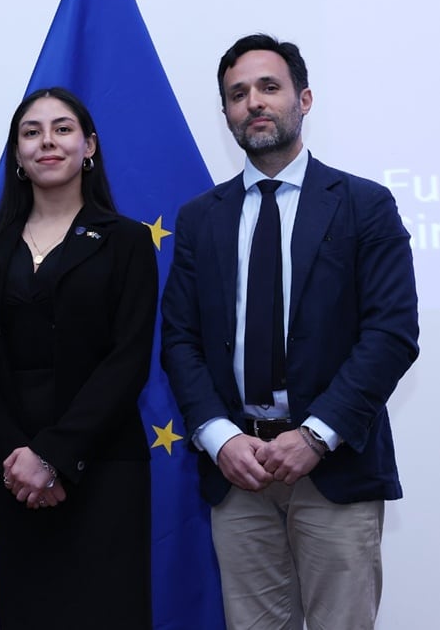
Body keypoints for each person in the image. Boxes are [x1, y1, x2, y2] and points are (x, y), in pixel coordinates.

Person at [161, 34, 419, 629]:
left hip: (336, 467)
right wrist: (220, 438)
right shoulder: (200, 218)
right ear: (226, 113)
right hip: (238, 471)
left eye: (269, 87)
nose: (253, 102)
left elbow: (392, 332)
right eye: (237, 94)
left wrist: (316, 435)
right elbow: (179, 338)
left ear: (303, 99)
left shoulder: (364, 204)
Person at [0, 87, 157, 629]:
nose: (47, 141)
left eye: (62, 129)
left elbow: (128, 361)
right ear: (17, 155)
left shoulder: (127, 241)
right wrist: (21, 459)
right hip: (15, 474)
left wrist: (54, 456)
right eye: (32, 132)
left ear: (88, 146)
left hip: (104, 467)